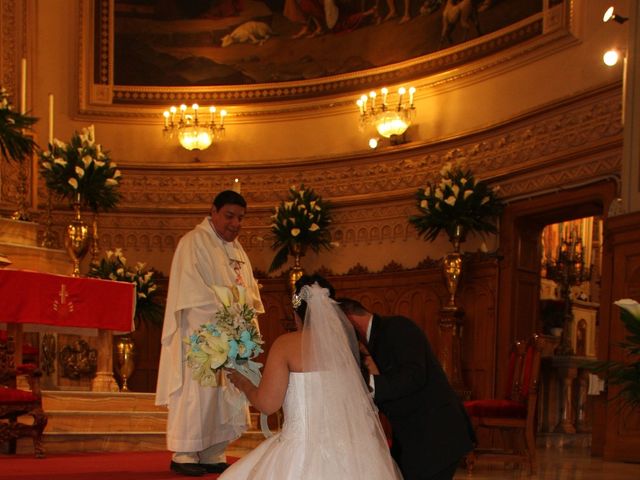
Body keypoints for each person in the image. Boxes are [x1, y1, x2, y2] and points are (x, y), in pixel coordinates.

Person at [220, 275, 403, 479]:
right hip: (352, 452)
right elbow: (372, 391)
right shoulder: (350, 347)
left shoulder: (286, 345)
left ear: (295, 313)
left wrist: (244, 383)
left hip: (299, 450)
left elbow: (267, 404)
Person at [155, 190, 264, 477]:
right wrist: (228, 314)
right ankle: (186, 452)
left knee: (225, 393)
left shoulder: (238, 251)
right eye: (229, 216)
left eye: (240, 218)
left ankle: (214, 450)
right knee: (199, 392)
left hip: (231, 335)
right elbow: (191, 292)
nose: (235, 223)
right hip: (200, 335)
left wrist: (246, 325)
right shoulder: (193, 243)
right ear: (213, 212)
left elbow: (249, 293)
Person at [337, 297, 475, 480]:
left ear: (349, 319)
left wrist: (366, 384)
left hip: (436, 435)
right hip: (414, 440)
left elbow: (414, 376)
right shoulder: (370, 342)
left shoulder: (398, 327)